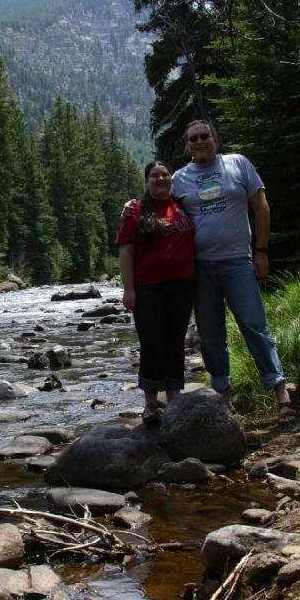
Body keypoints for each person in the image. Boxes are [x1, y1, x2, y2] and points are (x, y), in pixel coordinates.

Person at [128, 119, 295, 422]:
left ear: (214, 139)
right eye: (193, 139)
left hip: (238, 261)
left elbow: (261, 207)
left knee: (255, 327)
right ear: (187, 146)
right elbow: (158, 197)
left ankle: (281, 394)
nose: (200, 141)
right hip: (200, 269)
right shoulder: (180, 178)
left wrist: (261, 251)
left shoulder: (238, 164)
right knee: (211, 336)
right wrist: (132, 206)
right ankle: (224, 398)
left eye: (205, 136)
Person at [116, 160, 195, 424]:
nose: (160, 179)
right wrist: (129, 290)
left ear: (171, 178)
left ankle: (173, 401)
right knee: (151, 343)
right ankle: (150, 404)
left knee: (175, 342)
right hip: (148, 287)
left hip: (182, 285)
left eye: (164, 175)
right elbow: (126, 251)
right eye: (154, 176)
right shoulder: (136, 211)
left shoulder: (183, 205)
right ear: (147, 180)